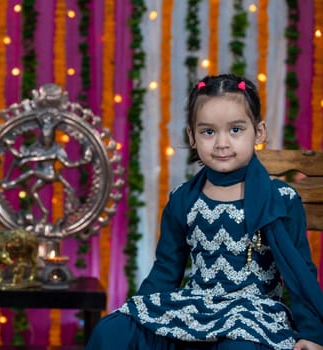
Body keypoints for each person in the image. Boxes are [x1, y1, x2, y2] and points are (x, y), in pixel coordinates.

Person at [87, 74, 323, 350]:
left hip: (254, 312)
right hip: (198, 306)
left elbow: (300, 270)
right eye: (208, 132)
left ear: (258, 132)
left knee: (238, 348)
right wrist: (139, 313)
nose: (222, 143)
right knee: (112, 331)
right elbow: (166, 268)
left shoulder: (281, 199)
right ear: (192, 137)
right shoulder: (184, 199)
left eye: (235, 130)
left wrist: (312, 334)